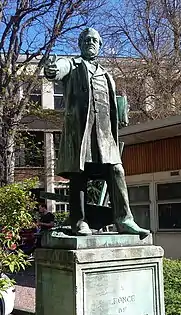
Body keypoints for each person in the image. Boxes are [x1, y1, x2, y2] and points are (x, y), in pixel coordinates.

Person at [44, 28, 149, 238]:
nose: (91, 42)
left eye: (95, 40)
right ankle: (79, 222)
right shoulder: (73, 65)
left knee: (117, 171)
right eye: (87, 39)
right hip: (81, 132)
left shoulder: (107, 75)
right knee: (79, 175)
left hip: (104, 134)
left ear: (99, 45)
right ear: (81, 43)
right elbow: (58, 69)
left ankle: (125, 220)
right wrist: (52, 68)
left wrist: (121, 109)